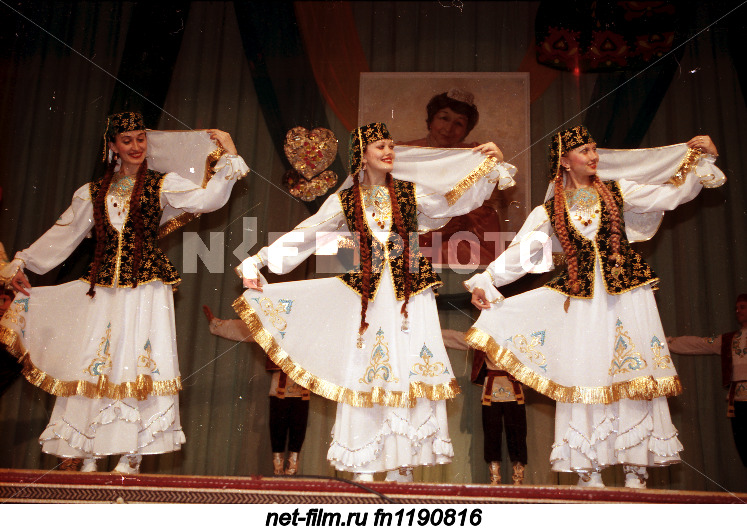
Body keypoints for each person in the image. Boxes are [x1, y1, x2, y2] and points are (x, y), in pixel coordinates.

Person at [234, 122, 515, 482]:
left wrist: (489, 166)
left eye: (390, 146)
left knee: (408, 366)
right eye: (379, 146)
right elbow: (306, 234)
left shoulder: (412, 195)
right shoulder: (345, 201)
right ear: (361, 155)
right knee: (367, 367)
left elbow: (456, 199)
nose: (388, 151)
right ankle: (364, 463)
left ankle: (403, 463)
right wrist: (258, 261)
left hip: (411, 294)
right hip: (367, 297)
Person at [464, 125, 724, 488]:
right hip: (583, 302)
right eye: (584, 150)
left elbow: (669, 196)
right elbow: (521, 255)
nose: (593, 155)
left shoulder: (618, 192)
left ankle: (636, 471)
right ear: (565, 162)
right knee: (585, 375)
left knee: (632, 373)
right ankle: (590, 471)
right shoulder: (548, 211)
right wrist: (486, 280)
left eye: (593, 149)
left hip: (626, 296)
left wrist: (703, 158)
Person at [0, 111, 249, 473]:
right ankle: (89, 448)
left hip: (145, 287)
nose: (135, 146)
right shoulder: (91, 193)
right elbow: (64, 235)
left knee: (136, 358)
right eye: (127, 140)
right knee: (95, 359)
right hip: (101, 288)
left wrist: (227, 149)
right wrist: (22, 262)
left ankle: (131, 452)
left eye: (140, 138)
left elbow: (209, 199)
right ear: (112, 145)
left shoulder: (163, 184)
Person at [401, 89, 506, 267]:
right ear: (431, 120)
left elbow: (484, 209)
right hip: (414, 236)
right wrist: (431, 230)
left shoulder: (473, 154)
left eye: (459, 123)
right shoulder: (406, 152)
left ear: (466, 130)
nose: (449, 128)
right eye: (444, 118)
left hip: (459, 236)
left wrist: (497, 163)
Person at [202, 305, 310, 476]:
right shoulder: (275, 326)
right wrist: (217, 324)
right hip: (279, 389)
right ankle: (277, 466)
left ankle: (293, 464)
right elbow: (246, 329)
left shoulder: (311, 329)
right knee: (278, 430)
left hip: (302, 390)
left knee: (298, 429)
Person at [667, 293, 747, 467]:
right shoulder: (730, 340)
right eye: (736, 308)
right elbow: (700, 344)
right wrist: (667, 343)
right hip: (740, 402)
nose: (738, 311)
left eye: (743, 307)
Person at [441, 329, 528, 485]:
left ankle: (518, 478)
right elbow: (460, 339)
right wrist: (433, 331)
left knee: (518, 435)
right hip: (491, 391)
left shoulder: (519, 333)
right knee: (491, 435)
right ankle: (495, 478)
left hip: (514, 391)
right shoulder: (484, 336)